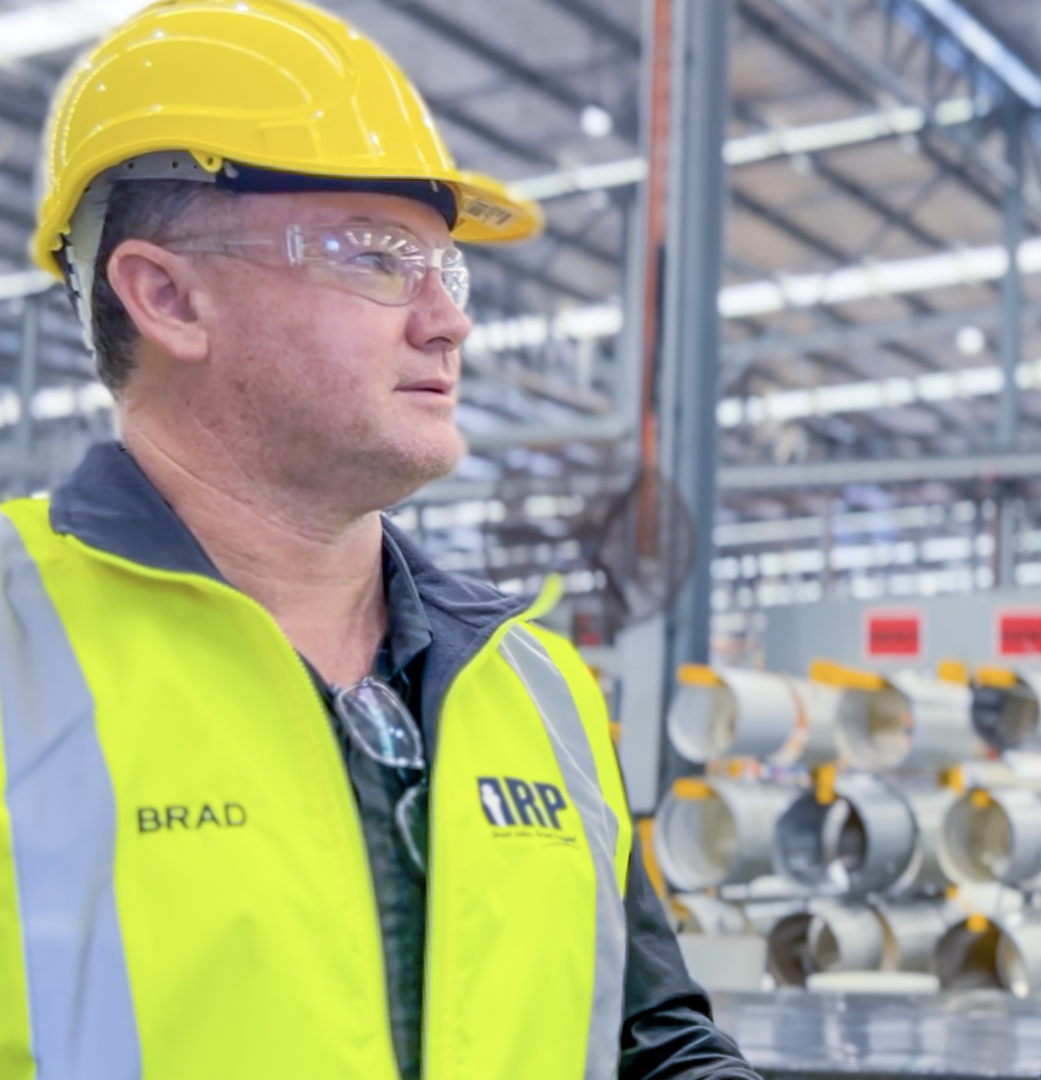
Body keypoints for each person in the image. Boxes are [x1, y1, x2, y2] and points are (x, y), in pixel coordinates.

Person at [0, 2, 760, 1078]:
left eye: (445, 271)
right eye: (373, 258)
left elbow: (650, 1043)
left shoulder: (531, 687)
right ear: (167, 296)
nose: (448, 321)